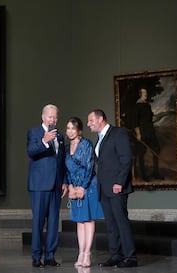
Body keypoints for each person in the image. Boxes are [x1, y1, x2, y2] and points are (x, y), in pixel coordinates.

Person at [87, 109, 138, 268]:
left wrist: (119, 183)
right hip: (104, 189)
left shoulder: (118, 133)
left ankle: (131, 257)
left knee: (121, 222)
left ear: (100, 119)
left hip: (117, 187)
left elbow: (125, 159)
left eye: (91, 121)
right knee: (111, 225)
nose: (89, 124)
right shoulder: (100, 139)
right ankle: (116, 255)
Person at [26, 104, 68, 268]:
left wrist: (64, 181)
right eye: (50, 117)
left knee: (53, 222)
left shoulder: (60, 137)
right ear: (43, 117)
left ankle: (50, 256)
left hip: (56, 185)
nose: (53, 120)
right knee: (38, 222)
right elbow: (31, 151)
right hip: (39, 185)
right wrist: (44, 141)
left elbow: (62, 161)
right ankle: (36, 256)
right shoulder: (34, 132)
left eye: (55, 117)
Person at [64, 117, 103, 267]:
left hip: (88, 186)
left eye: (73, 128)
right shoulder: (66, 148)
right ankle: (81, 252)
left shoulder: (86, 144)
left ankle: (87, 253)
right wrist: (71, 187)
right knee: (79, 221)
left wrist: (82, 187)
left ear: (79, 130)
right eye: (68, 128)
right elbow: (66, 170)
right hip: (74, 188)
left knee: (88, 220)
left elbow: (89, 166)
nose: (70, 131)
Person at [132, 88, 163, 181]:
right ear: (140, 94)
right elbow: (135, 122)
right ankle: (144, 176)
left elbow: (150, 117)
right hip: (143, 133)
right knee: (141, 153)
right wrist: (138, 134)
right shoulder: (137, 106)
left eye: (146, 92)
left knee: (156, 150)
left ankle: (156, 173)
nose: (146, 94)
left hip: (150, 132)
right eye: (144, 93)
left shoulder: (147, 105)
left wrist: (154, 118)